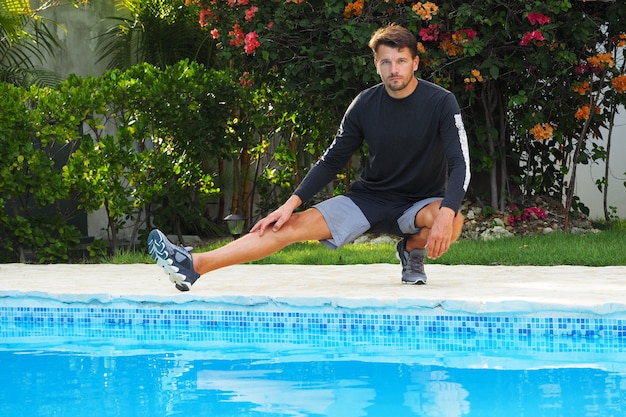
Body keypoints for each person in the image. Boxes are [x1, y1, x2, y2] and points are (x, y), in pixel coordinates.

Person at [148, 23, 471, 292]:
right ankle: (194, 265)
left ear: (415, 62)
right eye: (386, 62)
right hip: (368, 200)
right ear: (376, 65)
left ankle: (411, 250)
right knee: (285, 226)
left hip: (418, 202)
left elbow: (460, 164)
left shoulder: (441, 102)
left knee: (452, 221)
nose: (393, 69)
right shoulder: (364, 104)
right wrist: (290, 204)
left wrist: (445, 212)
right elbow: (333, 159)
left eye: (401, 61)